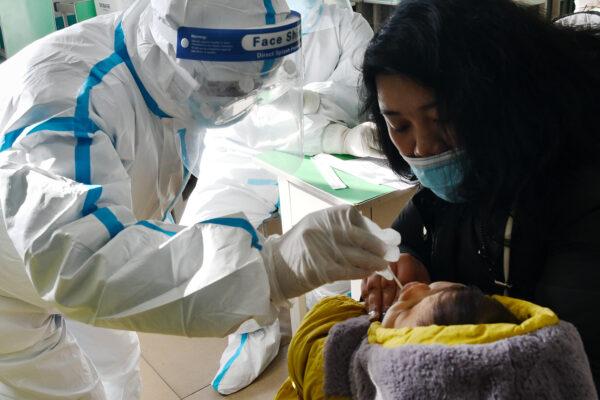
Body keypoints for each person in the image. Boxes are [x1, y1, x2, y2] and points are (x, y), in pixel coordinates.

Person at [0, 0, 393, 399]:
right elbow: (80, 261)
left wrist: (336, 136)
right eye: (232, 86)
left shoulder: (161, 69)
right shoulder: (63, 106)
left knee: (116, 356)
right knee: (65, 389)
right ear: (183, 57)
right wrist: (270, 268)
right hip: (12, 284)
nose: (245, 96)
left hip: (67, 252)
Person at [358, 0, 600, 389]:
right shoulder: (463, 168)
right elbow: (406, 239)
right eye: (399, 125)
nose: (422, 148)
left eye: (443, 120)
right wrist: (403, 265)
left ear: (496, 100)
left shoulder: (582, 195)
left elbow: (565, 369)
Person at [177, 0, 376, 394]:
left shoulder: (349, 28)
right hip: (241, 152)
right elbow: (248, 111)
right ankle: (253, 330)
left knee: (334, 247)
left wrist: (311, 111)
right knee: (202, 244)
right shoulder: (241, 21)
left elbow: (354, 97)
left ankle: (326, 331)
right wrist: (322, 115)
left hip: (323, 155)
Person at [275, 282, 597, 399]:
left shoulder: (348, 380)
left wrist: (358, 309)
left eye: (403, 316)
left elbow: (311, 344)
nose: (412, 289)